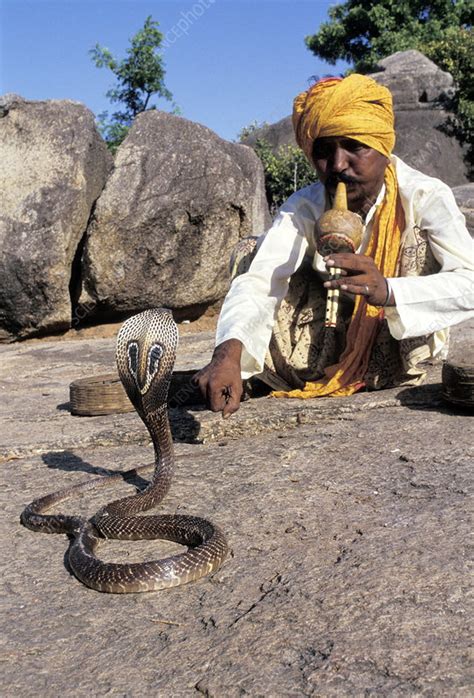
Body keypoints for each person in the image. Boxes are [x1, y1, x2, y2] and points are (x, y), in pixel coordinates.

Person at [195, 74, 474, 417]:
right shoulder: (306, 206)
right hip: (325, 341)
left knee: (415, 241)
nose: (338, 165)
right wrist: (228, 354)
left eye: (354, 146)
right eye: (324, 151)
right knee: (251, 253)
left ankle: (376, 366)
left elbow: (470, 282)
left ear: (383, 147)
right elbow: (262, 279)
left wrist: (388, 290)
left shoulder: (424, 196)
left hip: (397, 344)